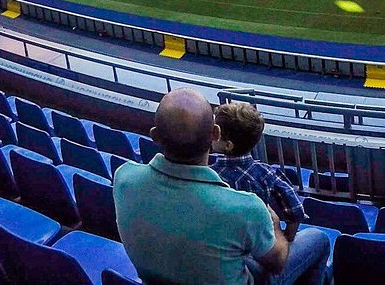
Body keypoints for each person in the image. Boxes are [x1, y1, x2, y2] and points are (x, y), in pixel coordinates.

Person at [113, 88, 294, 285]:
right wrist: (275, 227)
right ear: (216, 133)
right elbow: (277, 263)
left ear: (154, 136)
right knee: (317, 239)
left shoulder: (124, 177)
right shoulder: (248, 208)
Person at [211, 101, 330, 285]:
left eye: (215, 131)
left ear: (227, 145)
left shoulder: (209, 174)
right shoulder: (266, 174)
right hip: (258, 266)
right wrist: (287, 237)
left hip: (223, 260)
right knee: (320, 239)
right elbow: (295, 211)